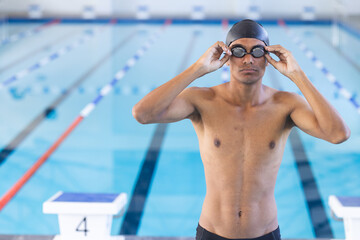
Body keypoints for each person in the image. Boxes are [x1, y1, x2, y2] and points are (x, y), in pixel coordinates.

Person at [132, 19, 350, 240]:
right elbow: (143, 113)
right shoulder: (202, 100)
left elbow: (338, 134)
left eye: (257, 52)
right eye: (239, 51)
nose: (248, 59)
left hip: (265, 233)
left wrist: (297, 75)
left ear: (267, 59)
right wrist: (197, 69)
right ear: (227, 58)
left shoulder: (286, 105)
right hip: (212, 232)